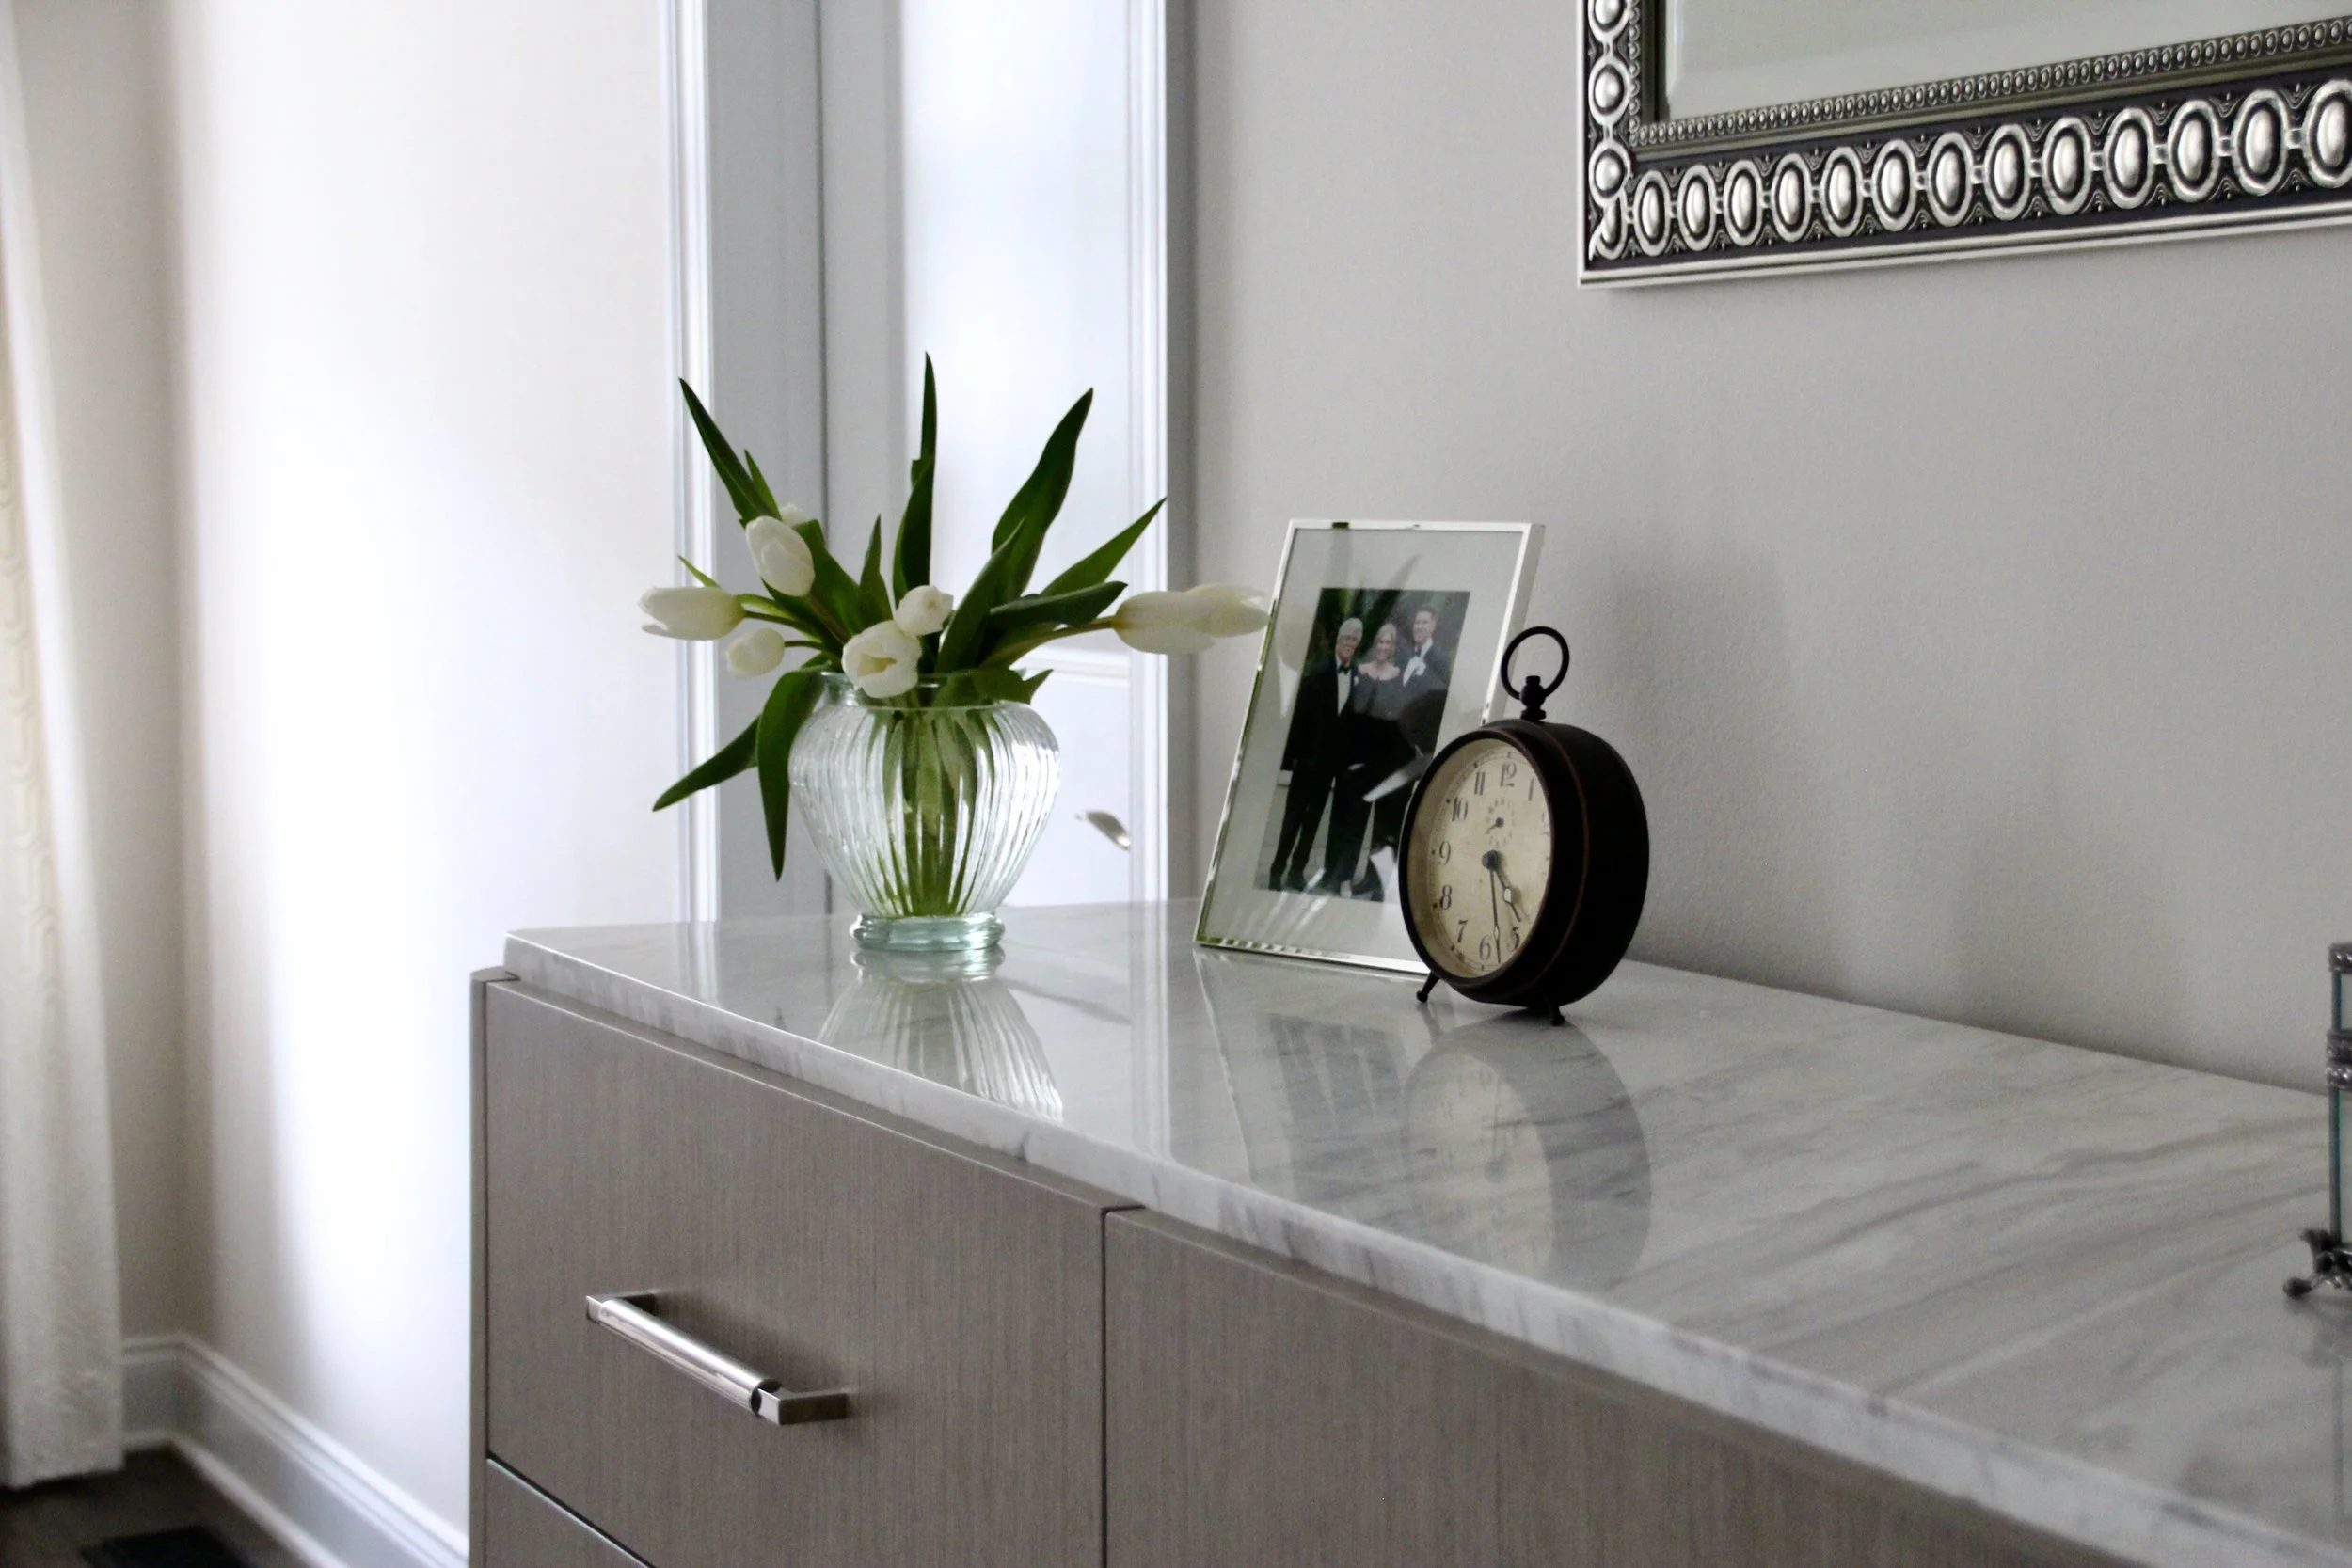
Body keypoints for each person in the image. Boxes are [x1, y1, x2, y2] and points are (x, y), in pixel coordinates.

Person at [1323, 622, 1416, 898]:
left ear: (1394, 647)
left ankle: (1374, 883)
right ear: (1374, 645)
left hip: (1386, 762)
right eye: (1380, 642)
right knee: (1352, 822)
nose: (1383, 647)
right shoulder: (1359, 673)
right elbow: (1348, 718)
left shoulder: (1401, 679)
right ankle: (1341, 877)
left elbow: (1401, 723)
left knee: (1383, 828)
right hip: (1358, 761)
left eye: (1388, 643)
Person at [1268, 616, 1362, 891]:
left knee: (1312, 823)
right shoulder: (1316, 673)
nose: (1349, 644)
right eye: (1346, 638)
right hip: (1308, 761)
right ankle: (1276, 871)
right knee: (1292, 820)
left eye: (1354, 640)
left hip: (1330, 766)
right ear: (1338, 640)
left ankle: (1297, 871)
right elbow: (1299, 719)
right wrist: (1292, 758)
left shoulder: (1358, 677)